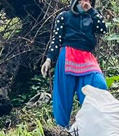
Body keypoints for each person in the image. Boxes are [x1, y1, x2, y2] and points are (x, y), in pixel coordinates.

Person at [41, 0, 109, 128]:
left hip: (87, 57)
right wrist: (49, 59)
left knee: (99, 84)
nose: (86, 1)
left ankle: (93, 125)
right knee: (63, 94)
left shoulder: (93, 15)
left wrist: (91, 11)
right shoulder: (64, 16)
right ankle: (62, 129)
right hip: (68, 55)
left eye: (89, 0)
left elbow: (103, 29)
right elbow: (56, 39)